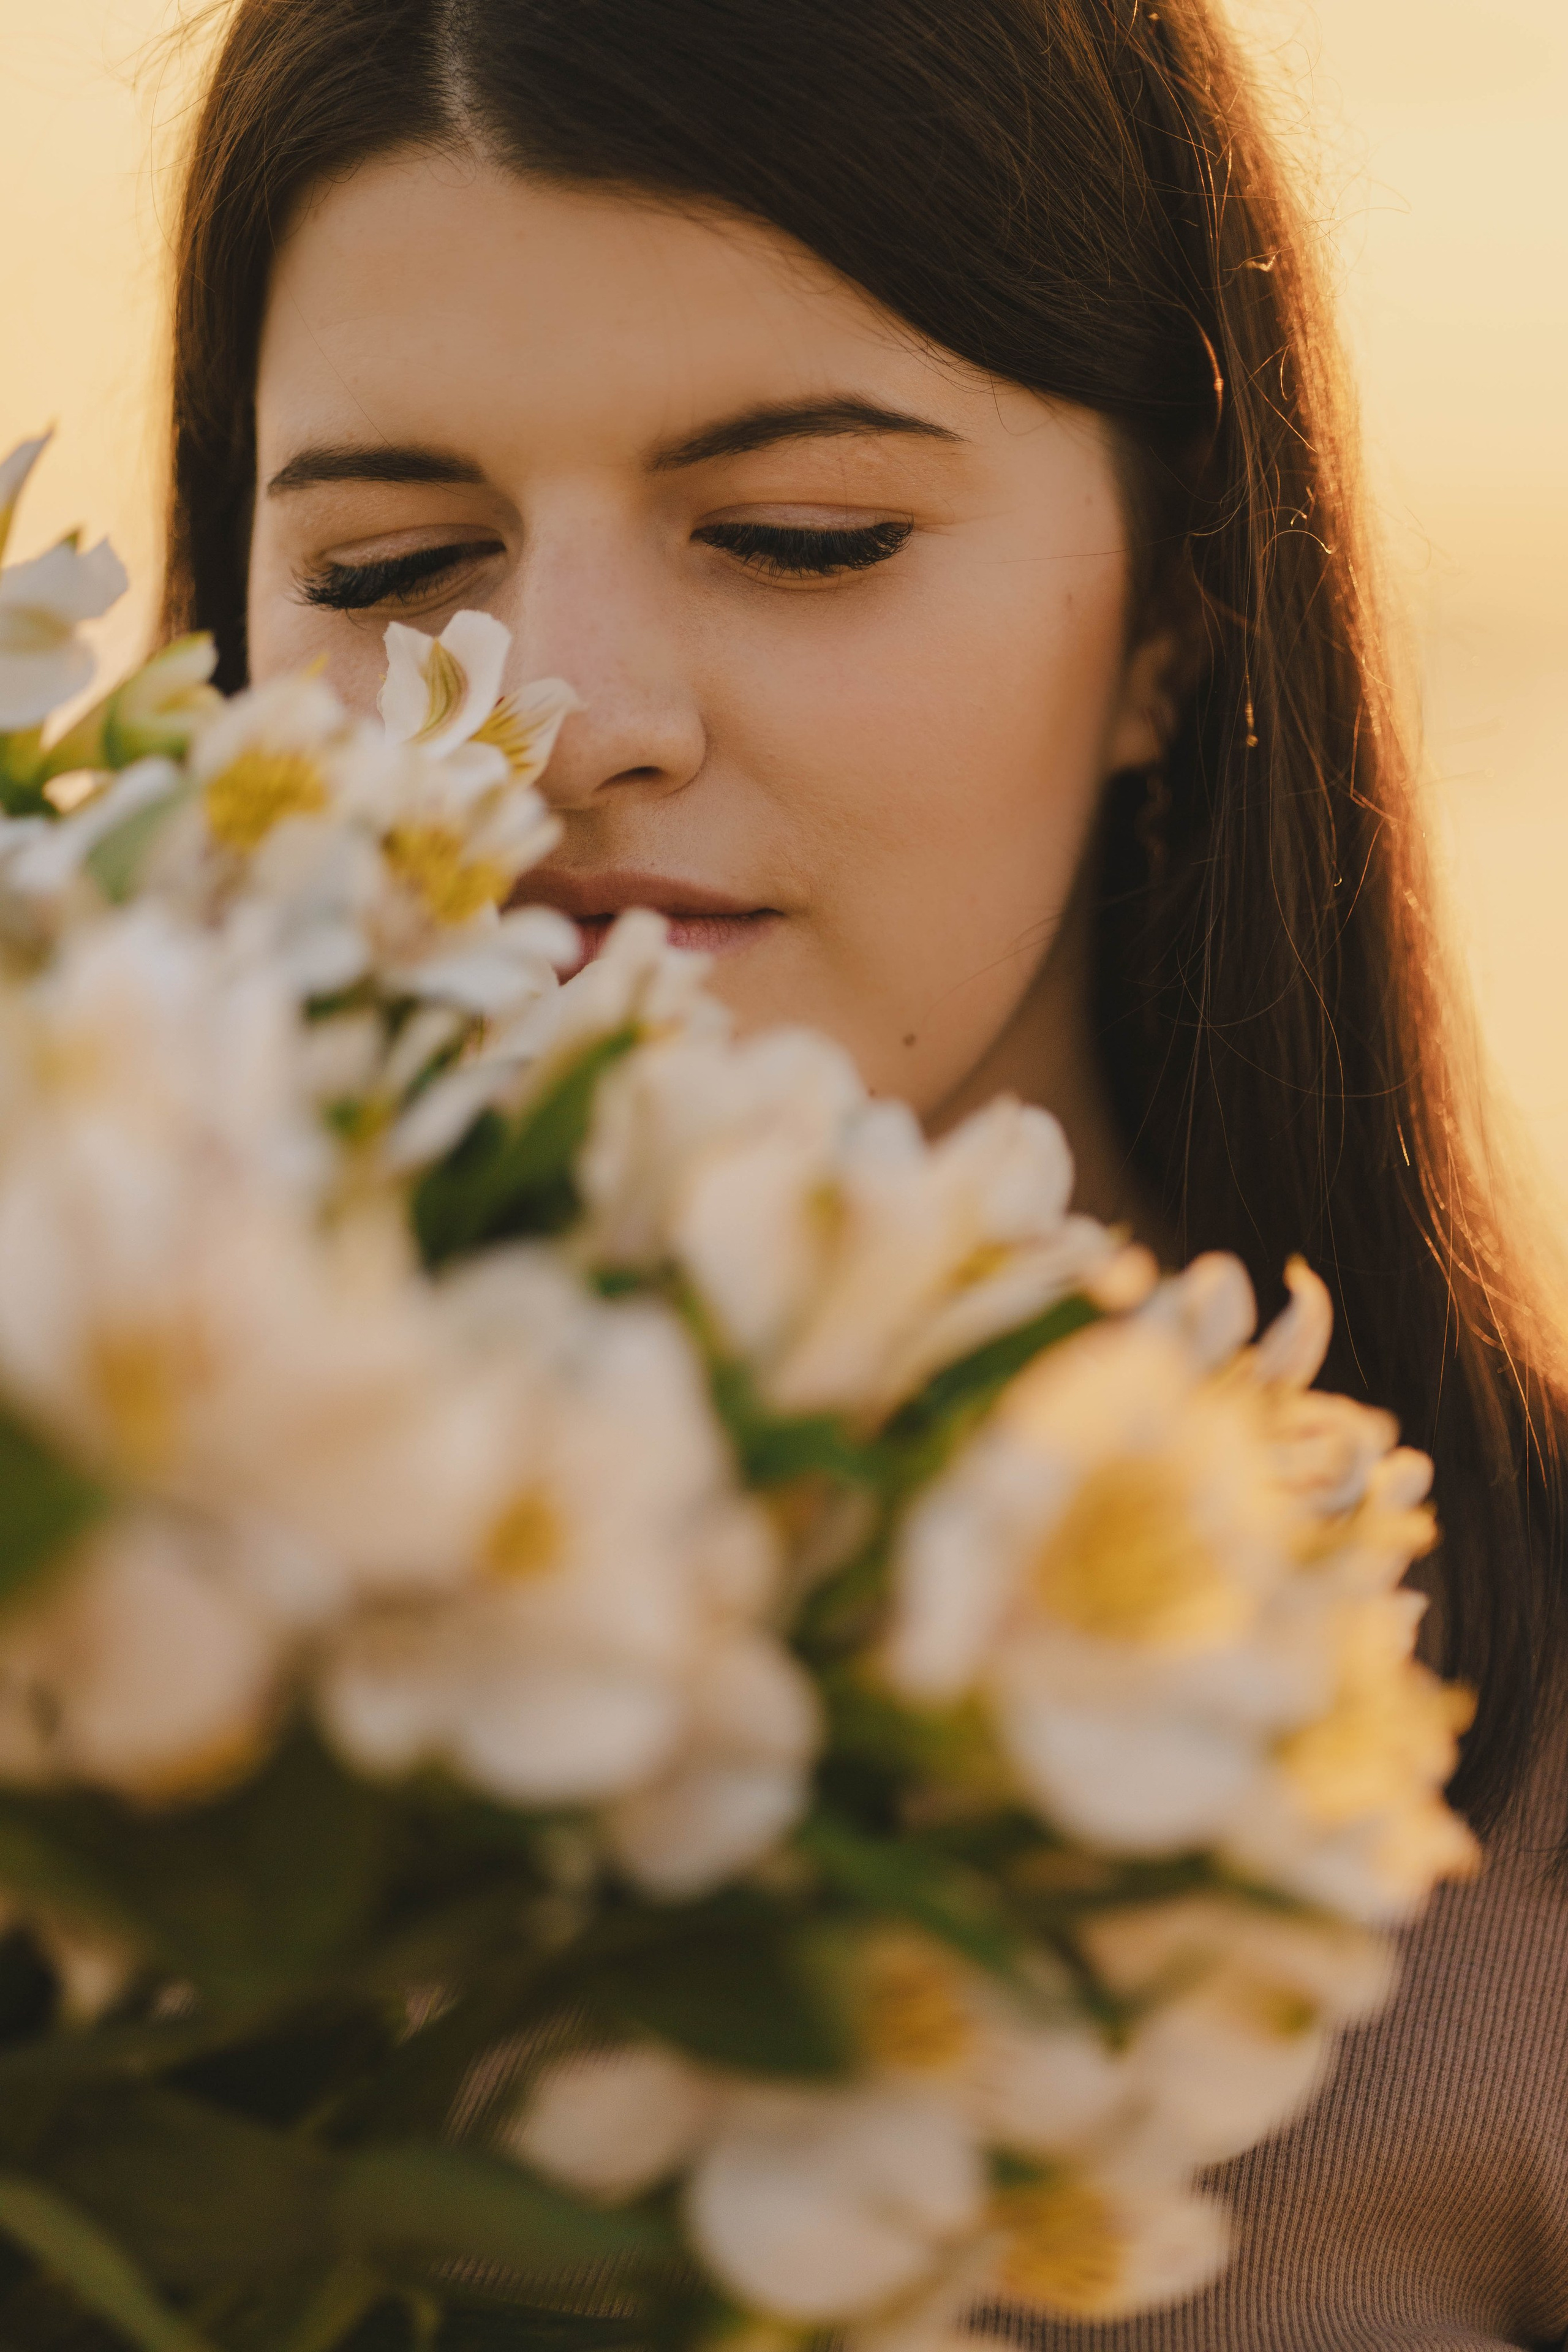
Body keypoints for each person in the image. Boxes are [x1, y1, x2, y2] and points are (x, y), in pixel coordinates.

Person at [160, 1, 1568, 2342]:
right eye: (393, 565)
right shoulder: (107, 1680)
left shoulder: (1512, 1829)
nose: (565, 714)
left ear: (1181, 597)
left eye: (800, 538)